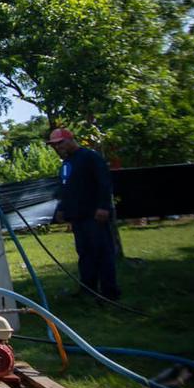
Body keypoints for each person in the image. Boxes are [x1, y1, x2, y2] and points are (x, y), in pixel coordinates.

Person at [47, 127, 120, 301]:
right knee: (85, 254)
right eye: (54, 145)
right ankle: (88, 290)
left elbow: (104, 183)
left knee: (102, 253)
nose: (57, 148)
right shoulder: (67, 164)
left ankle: (110, 293)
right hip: (78, 217)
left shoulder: (90, 157)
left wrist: (104, 207)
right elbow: (65, 188)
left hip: (94, 215)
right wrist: (62, 209)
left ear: (70, 139)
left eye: (60, 143)